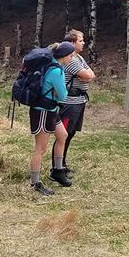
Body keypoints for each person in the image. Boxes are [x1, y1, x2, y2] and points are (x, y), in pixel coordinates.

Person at [29, 41, 76, 195]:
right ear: (63, 56)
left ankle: (57, 170)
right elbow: (63, 95)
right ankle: (35, 183)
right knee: (40, 149)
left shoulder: (52, 66)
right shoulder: (56, 71)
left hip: (50, 110)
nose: (72, 58)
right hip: (43, 111)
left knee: (62, 135)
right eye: (71, 55)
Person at [57, 29, 95, 175]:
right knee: (64, 134)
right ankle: (58, 166)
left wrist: (87, 75)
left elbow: (92, 74)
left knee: (71, 133)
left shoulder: (79, 57)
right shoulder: (70, 60)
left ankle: (63, 163)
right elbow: (86, 74)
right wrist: (86, 75)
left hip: (79, 100)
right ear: (72, 43)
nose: (83, 42)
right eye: (80, 40)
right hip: (69, 102)